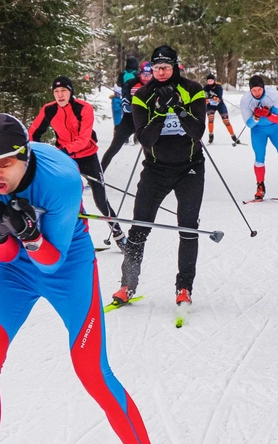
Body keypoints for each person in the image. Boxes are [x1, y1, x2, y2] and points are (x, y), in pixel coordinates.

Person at [0, 112, 183, 444]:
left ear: (24, 155)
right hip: (11, 272)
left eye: (5, 162)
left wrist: (29, 235)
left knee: (92, 369)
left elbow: (52, 263)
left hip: (66, 263)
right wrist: (0, 235)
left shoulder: (60, 176)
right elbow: (1, 256)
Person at [111, 45, 206, 307]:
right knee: (139, 226)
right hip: (155, 168)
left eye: (165, 67)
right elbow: (144, 138)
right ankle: (127, 284)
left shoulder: (193, 89)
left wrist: (180, 108)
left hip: (190, 167)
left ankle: (184, 287)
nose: (161, 72)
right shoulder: (142, 94)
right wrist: (162, 112)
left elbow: (198, 132)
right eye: (156, 67)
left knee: (188, 227)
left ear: (176, 66)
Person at [29, 76, 125, 249]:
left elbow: (83, 139)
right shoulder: (49, 109)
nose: (60, 95)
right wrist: (37, 152)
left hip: (87, 156)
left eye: (64, 91)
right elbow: (34, 133)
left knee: (101, 200)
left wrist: (62, 151)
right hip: (65, 160)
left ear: (71, 91)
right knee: (66, 198)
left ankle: (118, 234)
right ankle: (70, 238)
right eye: (56, 92)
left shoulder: (83, 108)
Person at [240, 75, 278, 200]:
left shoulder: (274, 95)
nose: (257, 93)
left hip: (276, 128)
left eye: (259, 89)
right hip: (258, 130)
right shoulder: (246, 100)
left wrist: (268, 114)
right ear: (250, 90)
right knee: (259, 157)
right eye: (253, 90)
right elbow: (249, 124)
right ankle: (260, 186)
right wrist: (256, 116)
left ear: (263, 88)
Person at [101, 61, 153, 172]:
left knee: (150, 150)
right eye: (144, 74)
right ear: (140, 73)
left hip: (146, 122)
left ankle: (155, 176)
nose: (146, 78)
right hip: (129, 120)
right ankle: (98, 176)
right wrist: (130, 106)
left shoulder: (155, 84)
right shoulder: (131, 83)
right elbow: (124, 103)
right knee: (114, 147)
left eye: (149, 75)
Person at [203, 73, 239, 145]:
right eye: (208, 81)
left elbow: (219, 98)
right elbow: (204, 97)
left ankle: (233, 136)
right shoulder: (205, 88)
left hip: (220, 105)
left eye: (211, 80)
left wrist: (213, 97)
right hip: (210, 105)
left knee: (226, 121)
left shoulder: (218, 87)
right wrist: (206, 100)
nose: (210, 82)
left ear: (214, 81)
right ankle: (211, 136)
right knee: (210, 119)